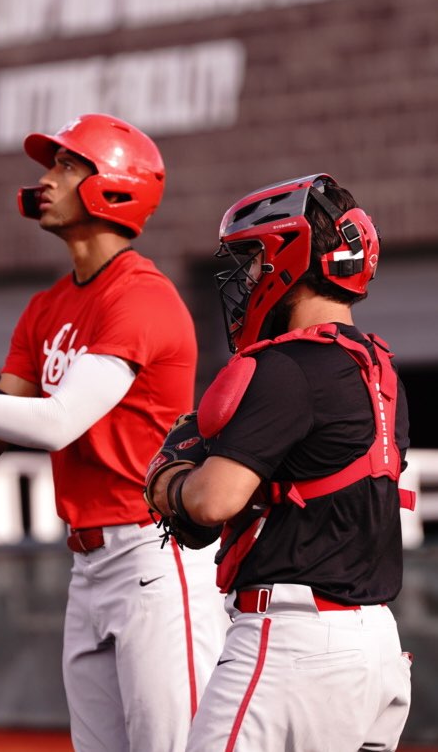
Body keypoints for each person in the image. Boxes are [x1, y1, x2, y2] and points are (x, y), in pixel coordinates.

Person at [0, 113, 230, 751]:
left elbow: (58, 424)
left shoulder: (142, 297)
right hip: (88, 567)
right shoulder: (47, 307)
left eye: (65, 165)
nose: (46, 178)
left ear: (112, 187)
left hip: (155, 557)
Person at [145, 173, 414, 751]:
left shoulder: (285, 366)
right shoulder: (380, 369)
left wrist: (167, 479)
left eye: (252, 260)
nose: (245, 277)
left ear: (287, 258)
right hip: (377, 649)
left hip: (293, 645)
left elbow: (211, 502)